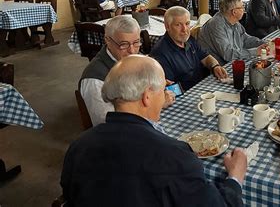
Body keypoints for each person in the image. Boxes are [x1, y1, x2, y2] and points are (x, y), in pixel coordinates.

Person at [61, 55, 247, 206]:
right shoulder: (174, 157)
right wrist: (235, 178)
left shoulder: (78, 146)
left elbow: (70, 195)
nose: (166, 94)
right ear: (147, 97)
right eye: (163, 89)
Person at [79, 15, 175, 126]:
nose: (132, 51)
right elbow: (106, 123)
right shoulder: (94, 79)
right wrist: (157, 103)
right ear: (107, 40)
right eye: (123, 44)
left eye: (136, 42)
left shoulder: (132, 58)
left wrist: (155, 85)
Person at [150, 6, 228, 91]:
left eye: (187, 24)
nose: (185, 30)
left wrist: (215, 66)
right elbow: (171, 89)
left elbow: (205, 57)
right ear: (167, 27)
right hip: (185, 97)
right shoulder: (160, 54)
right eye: (178, 25)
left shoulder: (189, 40)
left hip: (202, 88)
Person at [198, 0, 267, 65]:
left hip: (232, 61)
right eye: (242, 7)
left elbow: (245, 39)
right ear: (234, 12)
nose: (244, 9)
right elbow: (228, 54)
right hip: (217, 68)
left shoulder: (234, 22)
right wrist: (255, 52)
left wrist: (263, 43)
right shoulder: (217, 24)